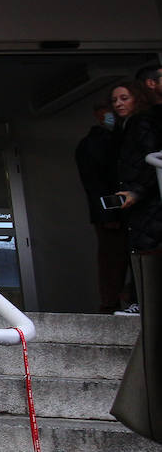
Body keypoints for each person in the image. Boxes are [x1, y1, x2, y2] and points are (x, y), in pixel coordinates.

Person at [109, 80, 162, 442]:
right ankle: (139, 301)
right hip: (139, 203)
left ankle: (142, 301)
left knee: (148, 247)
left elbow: (144, 164)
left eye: (123, 98)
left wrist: (138, 190)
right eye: (114, 100)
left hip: (147, 202)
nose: (117, 105)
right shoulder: (128, 129)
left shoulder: (145, 124)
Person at [75, 104, 132, 314]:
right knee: (113, 258)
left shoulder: (121, 137)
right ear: (98, 114)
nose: (116, 109)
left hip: (126, 210)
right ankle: (111, 302)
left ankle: (124, 298)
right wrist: (109, 213)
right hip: (113, 212)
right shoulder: (95, 144)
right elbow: (98, 184)